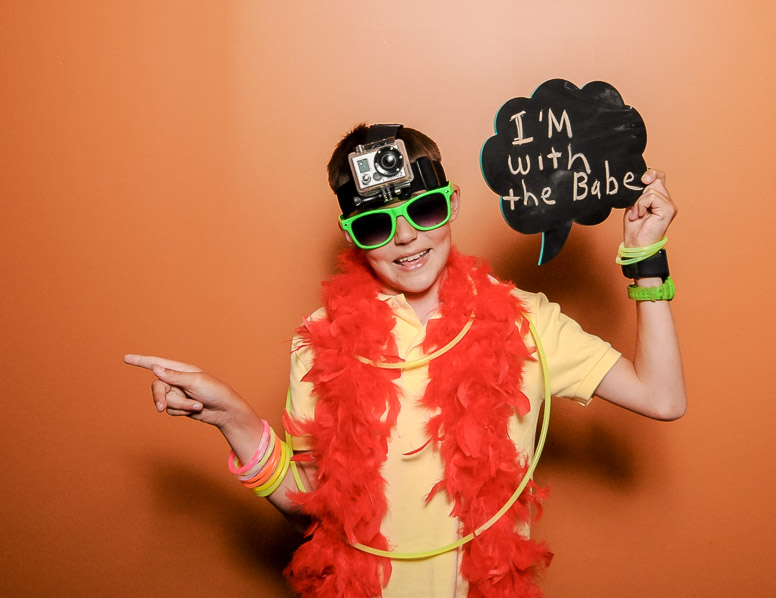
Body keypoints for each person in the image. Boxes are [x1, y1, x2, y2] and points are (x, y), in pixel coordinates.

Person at [124, 123, 686, 598]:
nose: (406, 238)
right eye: (376, 225)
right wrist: (234, 419)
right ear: (353, 237)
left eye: (424, 209)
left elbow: (661, 397)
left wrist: (645, 257)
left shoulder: (525, 321)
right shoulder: (319, 344)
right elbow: (310, 510)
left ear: (454, 202)